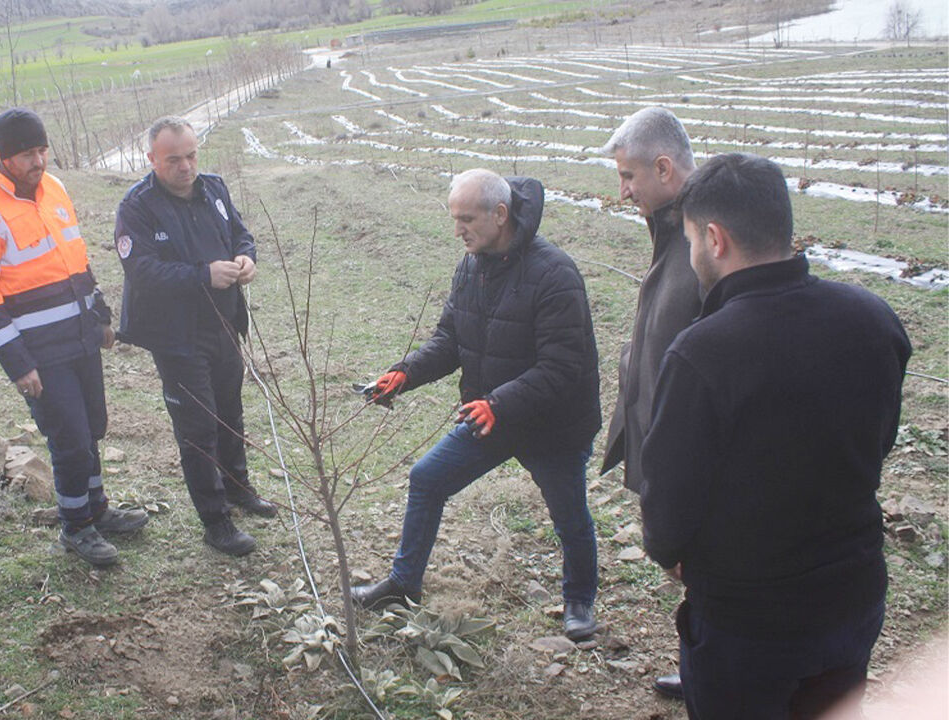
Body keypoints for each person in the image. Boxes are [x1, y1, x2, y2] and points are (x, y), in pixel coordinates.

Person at [640, 153, 910, 720]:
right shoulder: (873, 319)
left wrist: (673, 555)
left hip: (749, 622)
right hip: (852, 595)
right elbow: (877, 442)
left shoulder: (701, 353)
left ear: (714, 238)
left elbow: (669, 505)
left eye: (690, 239)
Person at [349, 168, 602, 641]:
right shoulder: (472, 265)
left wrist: (498, 404)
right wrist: (404, 373)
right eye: (454, 218)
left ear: (500, 214)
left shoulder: (555, 274)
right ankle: (403, 585)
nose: (458, 229)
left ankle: (579, 600)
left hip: (553, 425)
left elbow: (562, 367)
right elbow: (450, 338)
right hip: (492, 414)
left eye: (467, 218)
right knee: (427, 479)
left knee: (568, 513)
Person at [0, 108, 147, 568]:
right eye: (27, 154)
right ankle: (75, 527)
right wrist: (19, 363)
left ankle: (96, 509)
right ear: (3, 156)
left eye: (42, 150)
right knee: (70, 437)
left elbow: (75, 258)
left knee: (93, 425)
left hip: (79, 336)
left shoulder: (53, 189)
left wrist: (99, 315)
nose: (38, 161)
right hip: (40, 351)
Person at [114, 116, 276, 557]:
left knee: (230, 412)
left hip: (224, 324)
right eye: (173, 160)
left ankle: (239, 487)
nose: (186, 167)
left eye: (191, 156)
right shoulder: (136, 207)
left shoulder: (214, 188)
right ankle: (215, 520)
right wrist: (203, 275)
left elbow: (240, 235)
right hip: (176, 336)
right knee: (198, 426)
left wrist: (246, 259)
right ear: (151, 160)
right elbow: (142, 271)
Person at [597, 106, 700, 700]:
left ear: (663, 168)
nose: (623, 190)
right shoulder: (672, 231)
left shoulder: (707, 241)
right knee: (690, 573)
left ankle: (708, 673)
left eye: (629, 176)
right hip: (664, 451)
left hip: (685, 457)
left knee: (699, 564)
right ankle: (698, 667)